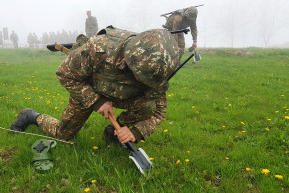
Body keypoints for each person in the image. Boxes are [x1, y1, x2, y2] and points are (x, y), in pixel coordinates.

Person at [10, 26, 179, 145]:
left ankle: (113, 133)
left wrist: (136, 132)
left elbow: (158, 111)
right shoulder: (99, 47)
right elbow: (65, 74)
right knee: (63, 135)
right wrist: (96, 101)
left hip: (122, 94)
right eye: (140, 75)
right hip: (89, 88)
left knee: (148, 106)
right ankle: (30, 116)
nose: (144, 82)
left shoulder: (158, 71)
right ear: (130, 58)